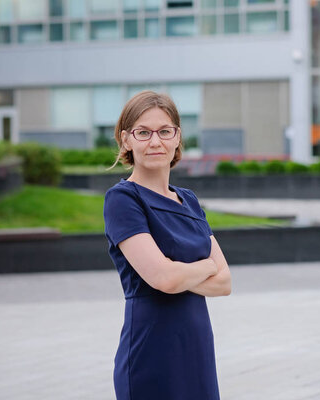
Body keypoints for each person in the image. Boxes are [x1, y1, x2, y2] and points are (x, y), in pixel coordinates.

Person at [103, 91, 231, 400]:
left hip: (196, 345)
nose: (155, 141)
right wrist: (207, 266)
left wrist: (181, 274)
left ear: (177, 138)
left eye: (164, 131)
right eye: (143, 133)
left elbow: (225, 283)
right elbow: (163, 279)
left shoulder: (188, 199)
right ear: (126, 140)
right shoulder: (123, 200)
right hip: (152, 350)